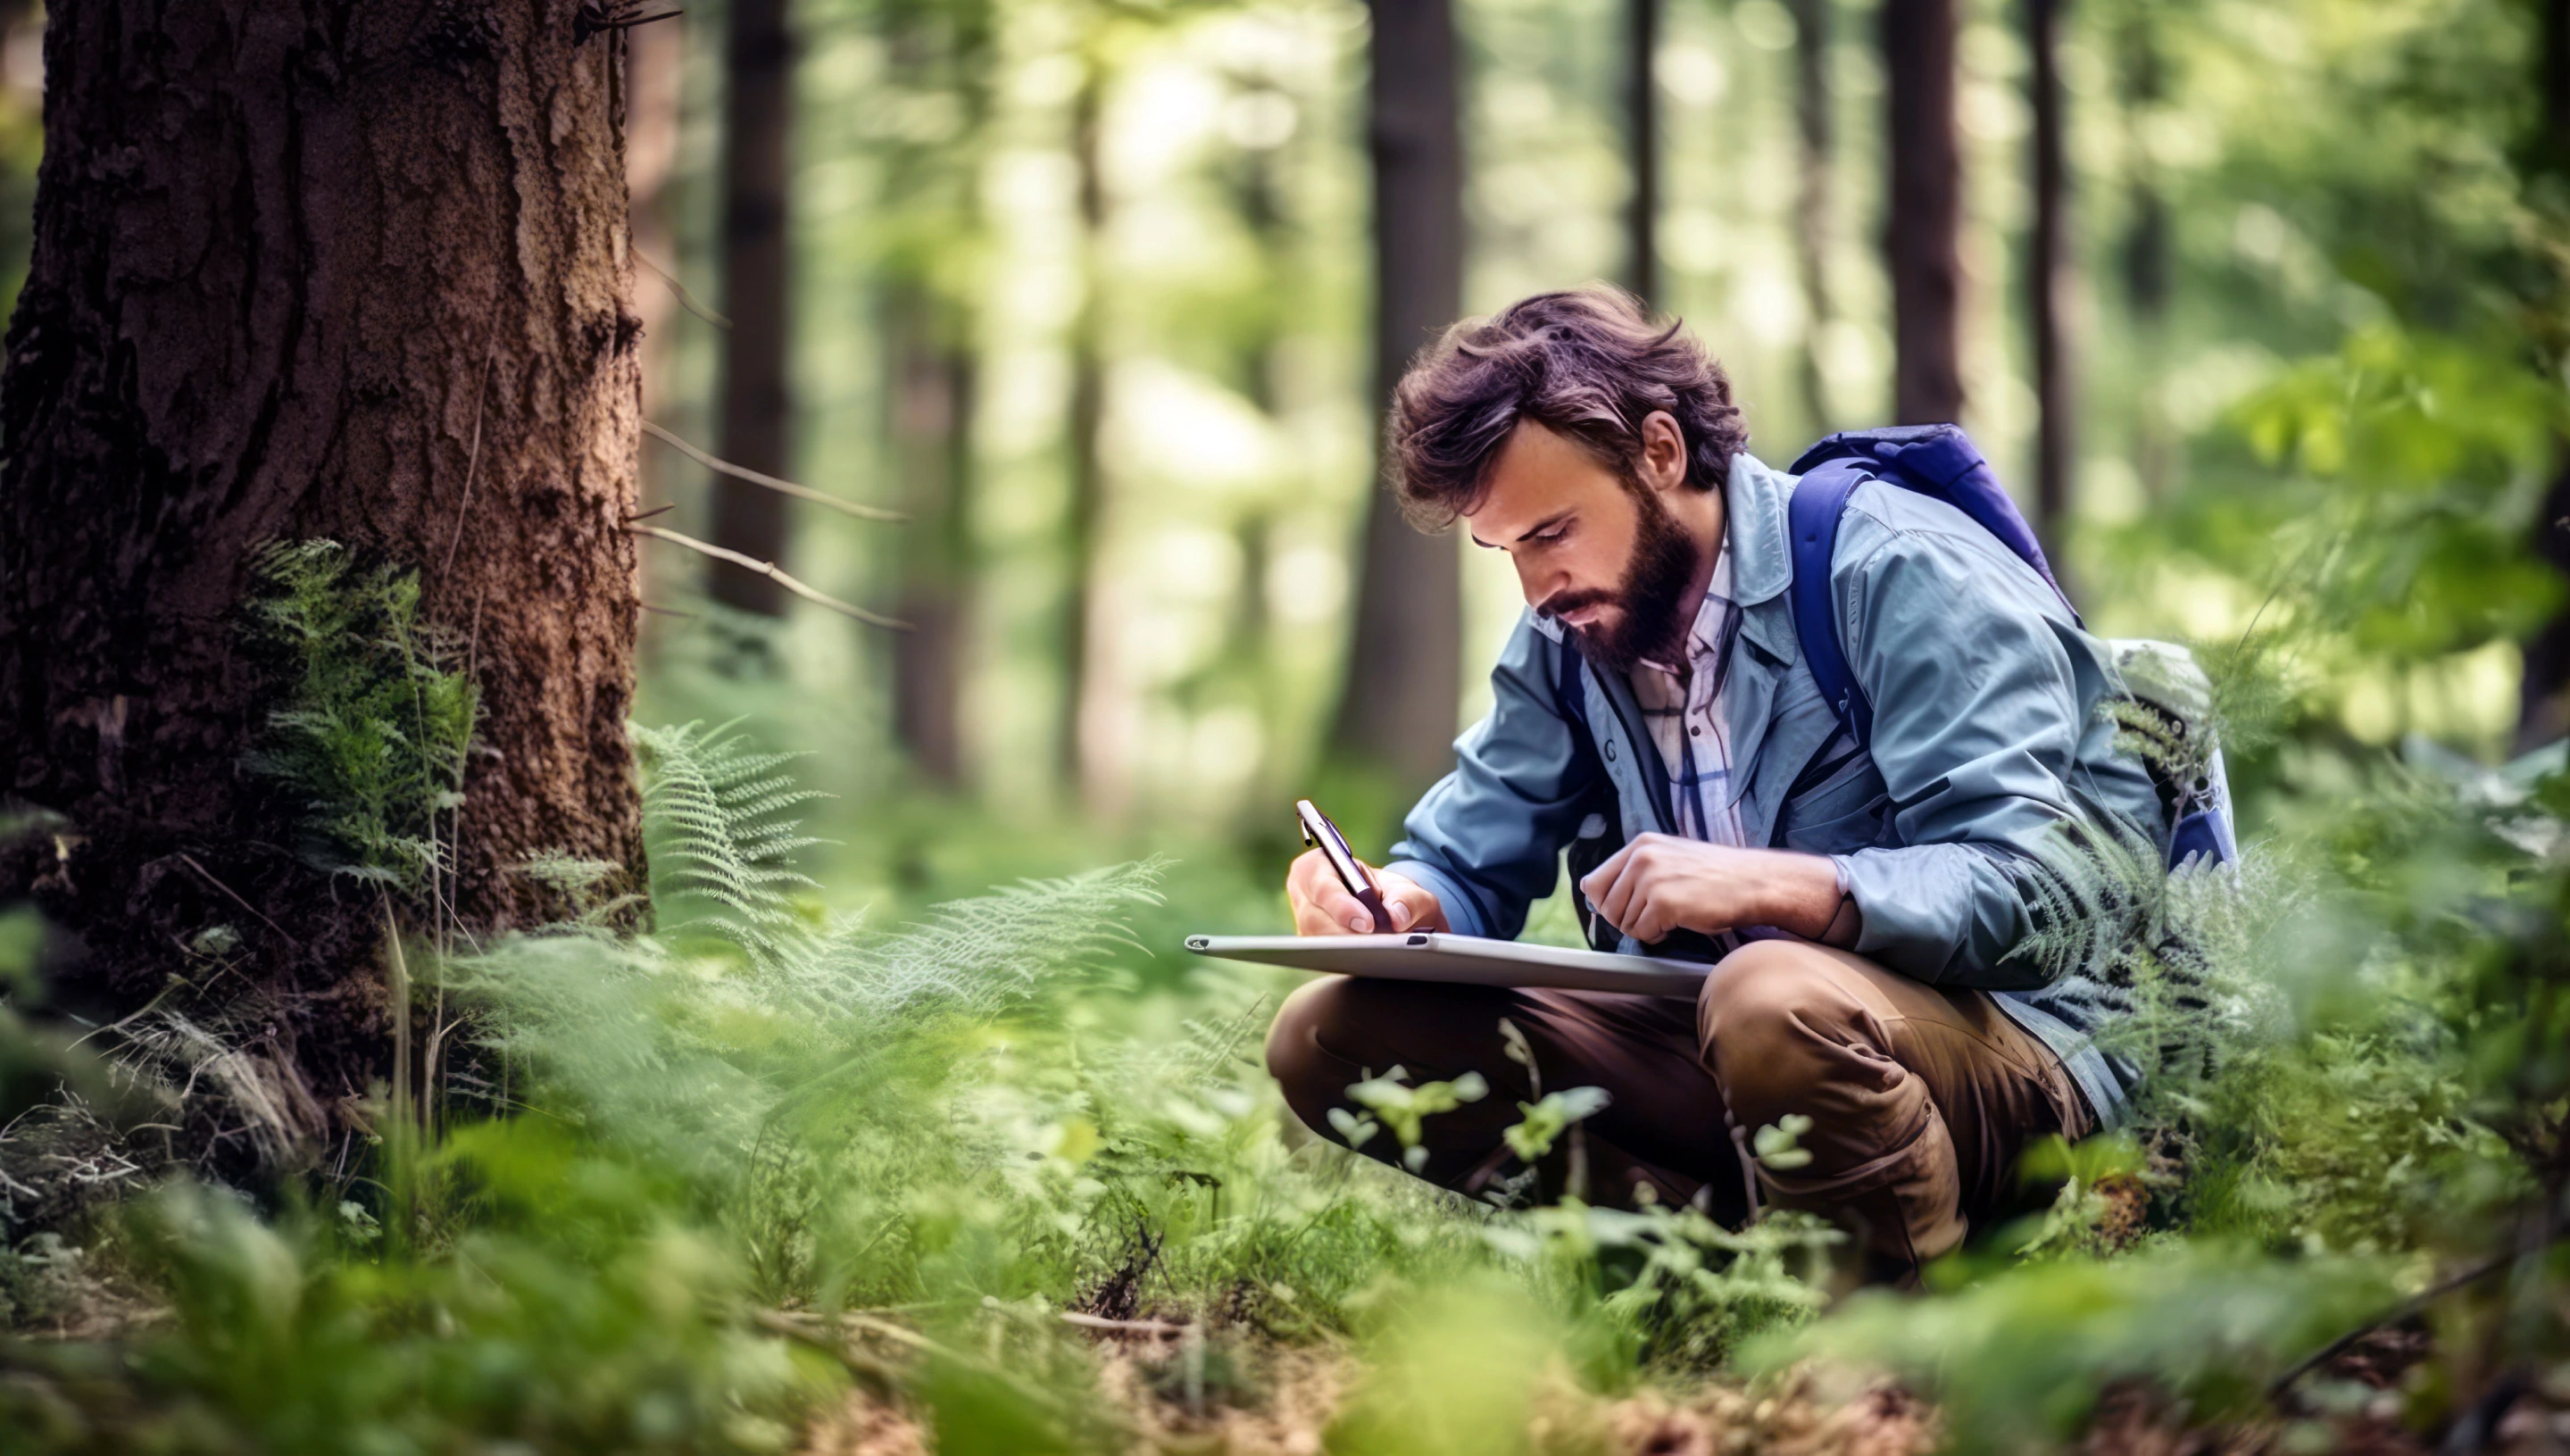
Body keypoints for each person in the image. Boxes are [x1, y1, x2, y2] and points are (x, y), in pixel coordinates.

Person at [1266, 286, 2168, 1282]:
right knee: (1329, 1032)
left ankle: (1891, 1348)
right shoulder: (1573, 633)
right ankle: (1705, 1289)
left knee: (1766, 991)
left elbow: (2049, 891)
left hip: (2021, 1062)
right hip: (1756, 1056)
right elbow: (1469, 851)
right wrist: (1401, 901)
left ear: (1658, 450)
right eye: (1506, 549)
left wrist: (1780, 884)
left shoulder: (1895, 569)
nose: (1533, 587)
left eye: (1552, 531)